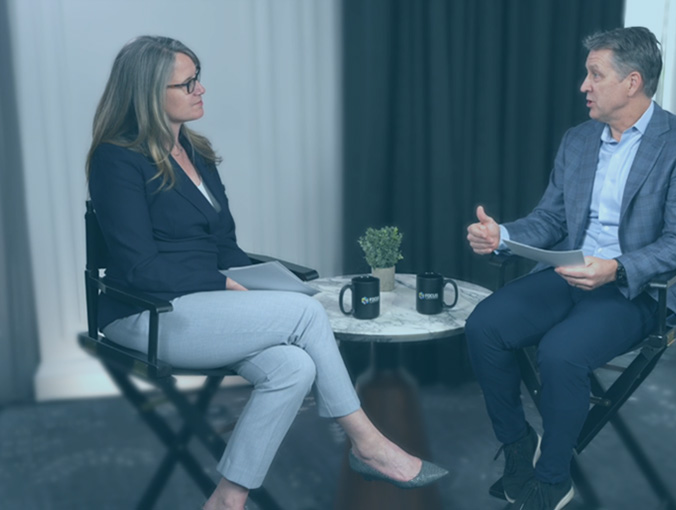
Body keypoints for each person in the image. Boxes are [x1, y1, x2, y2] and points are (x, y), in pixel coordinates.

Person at [86, 36, 447, 510]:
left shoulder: (196, 152)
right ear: (149, 93)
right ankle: (368, 443)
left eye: (199, 77)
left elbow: (223, 248)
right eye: (188, 82)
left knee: (293, 366)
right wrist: (225, 284)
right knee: (302, 314)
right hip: (146, 314)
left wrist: (259, 279)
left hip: (201, 304)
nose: (202, 89)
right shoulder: (117, 160)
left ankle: (227, 500)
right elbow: (138, 267)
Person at [465, 27, 676, 510]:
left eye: (594, 74)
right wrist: (504, 236)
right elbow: (552, 219)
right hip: (569, 275)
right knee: (484, 325)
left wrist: (617, 268)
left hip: (639, 289)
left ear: (632, 82)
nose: (584, 85)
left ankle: (554, 478)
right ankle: (518, 447)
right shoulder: (579, 140)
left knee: (561, 353)